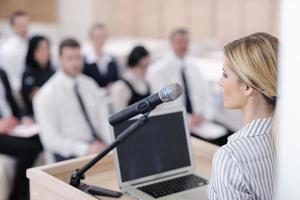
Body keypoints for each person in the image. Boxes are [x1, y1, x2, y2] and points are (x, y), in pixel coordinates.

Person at [208, 32, 278, 200]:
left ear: (247, 87)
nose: (220, 82)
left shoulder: (231, 157)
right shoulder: (290, 138)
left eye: (225, 75)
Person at [147, 28, 229, 145]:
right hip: (177, 123)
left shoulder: (193, 67)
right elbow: (161, 106)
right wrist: (188, 119)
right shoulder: (158, 70)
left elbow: (207, 98)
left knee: (230, 135)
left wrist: (204, 116)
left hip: (201, 121)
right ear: (171, 44)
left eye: (186, 42)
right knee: (217, 144)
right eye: (179, 42)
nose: (183, 45)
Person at [34, 38, 110, 162]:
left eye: (78, 57)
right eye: (70, 58)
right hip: (70, 154)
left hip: (98, 146)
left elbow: (104, 120)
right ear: (59, 59)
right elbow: (50, 139)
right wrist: (85, 149)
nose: (75, 63)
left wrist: (112, 144)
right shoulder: (46, 95)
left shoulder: (90, 84)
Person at [0, 68, 42, 200]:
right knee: (29, 148)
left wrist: (23, 118)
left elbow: (12, 102)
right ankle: (19, 195)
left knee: (40, 140)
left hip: (12, 127)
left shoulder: (2, 73)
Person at [21, 35, 55, 117]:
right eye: (41, 49)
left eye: (47, 48)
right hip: (35, 114)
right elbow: (34, 97)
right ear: (33, 51)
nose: (45, 52)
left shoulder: (53, 72)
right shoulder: (28, 73)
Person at [111, 45, 151, 112]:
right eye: (141, 66)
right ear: (133, 63)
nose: (144, 69)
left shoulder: (145, 82)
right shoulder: (121, 86)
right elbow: (119, 115)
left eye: (146, 66)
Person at [82, 23, 120, 92]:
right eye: (98, 36)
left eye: (103, 36)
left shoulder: (112, 60)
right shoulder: (84, 62)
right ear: (91, 38)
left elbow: (117, 80)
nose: (101, 39)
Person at [0, 11, 30, 91]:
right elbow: (8, 75)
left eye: (26, 23)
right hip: (16, 89)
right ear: (12, 26)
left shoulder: (29, 43)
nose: (24, 27)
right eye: (20, 24)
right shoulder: (7, 48)